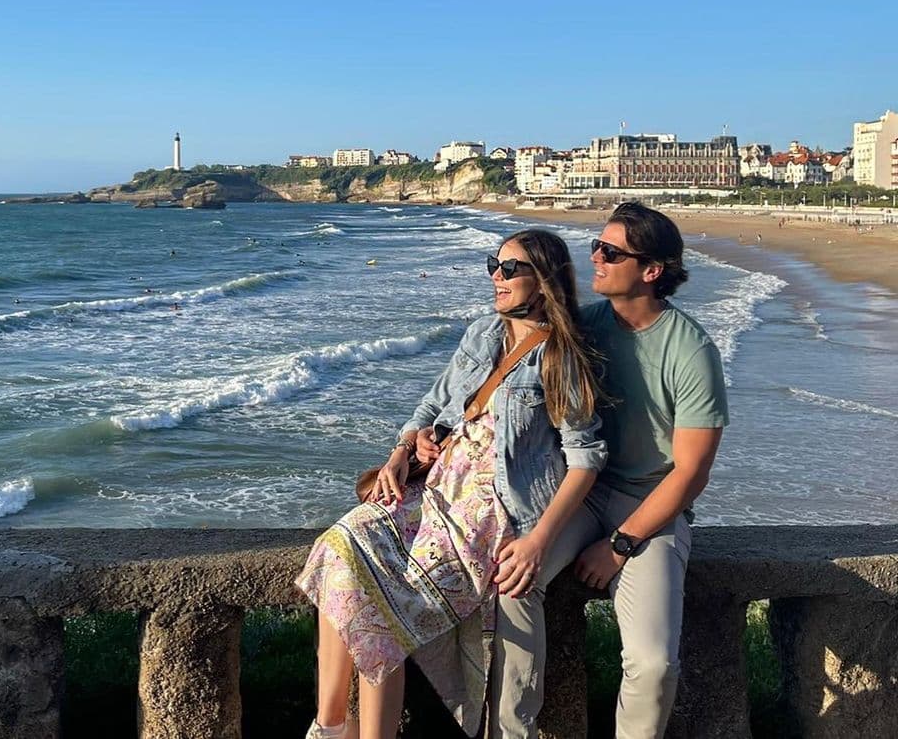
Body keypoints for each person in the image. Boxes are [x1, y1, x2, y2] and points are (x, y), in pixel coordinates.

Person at [296, 229, 607, 739]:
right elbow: (431, 405)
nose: (497, 277)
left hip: (491, 513)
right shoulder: (482, 334)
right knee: (339, 546)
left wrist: (538, 541)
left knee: (380, 599)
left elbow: (585, 459)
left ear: (544, 280)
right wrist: (404, 450)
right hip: (435, 490)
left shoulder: (560, 357)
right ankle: (330, 726)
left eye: (511, 269)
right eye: (493, 265)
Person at [518, 201, 727, 739]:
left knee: (654, 663)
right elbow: (504, 378)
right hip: (577, 492)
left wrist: (619, 546)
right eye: (596, 246)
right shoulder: (580, 328)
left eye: (610, 252)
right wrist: (425, 433)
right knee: (512, 584)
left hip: (651, 506)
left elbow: (691, 472)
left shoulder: (691, 350)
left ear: (651, 270)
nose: (595, 258)